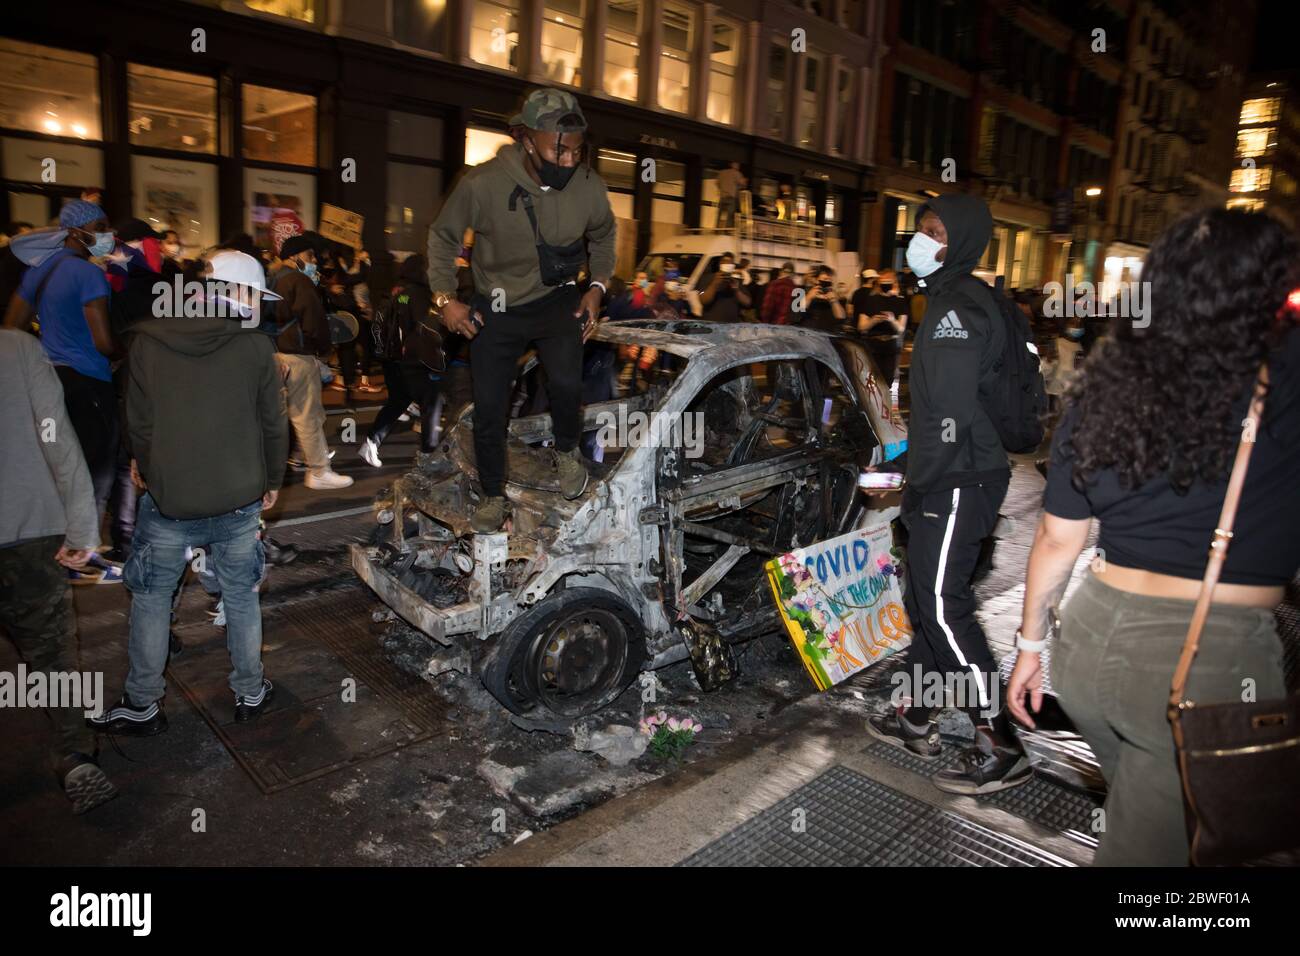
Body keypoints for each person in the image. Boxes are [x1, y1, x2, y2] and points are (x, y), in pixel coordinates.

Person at [1008, 209, 1300, 865]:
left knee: (1149, 813)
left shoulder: (1117, 377)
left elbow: (1059, 534)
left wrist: (1028, 649)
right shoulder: (1285, 378)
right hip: (1202, 661)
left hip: (1086, 644)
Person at [867, 192, 1030, 794]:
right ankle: (916, 713)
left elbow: (950, 417)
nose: (920, 240)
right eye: (920, 229)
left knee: (940, 606)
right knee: (931, 598)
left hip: (960, 477)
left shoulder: (957, 308)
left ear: (957, 241)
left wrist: (910, 474)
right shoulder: (957, 299)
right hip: (962, 473)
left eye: (934, 231)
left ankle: (1000, 739)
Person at [90, 250, 290, 735]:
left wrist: (148, 467)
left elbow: (138, 420)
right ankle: (249, 690)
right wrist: (272, 481)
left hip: (169, 501)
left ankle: (142, 702)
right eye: (257, 297)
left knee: (153, 598)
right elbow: (273, 424)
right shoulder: (256, 348)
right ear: (236, 294)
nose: (261, 307)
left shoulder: (147, 340)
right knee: (241, 595)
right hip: (239, 497)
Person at [429, 88, 616, 533]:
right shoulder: (482, 183)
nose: (570, 160)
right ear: (528, 140)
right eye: (559, 148)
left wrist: (597, 288)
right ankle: (493, 494)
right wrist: (445, 298)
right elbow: (442, 237)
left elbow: (605, 236)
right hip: (496, 306)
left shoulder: (588, 186)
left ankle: (568, 453)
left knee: (569, 382)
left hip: (556, 299)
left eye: (577, 149)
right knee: (491, 407)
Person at [0, 328, 118, 813]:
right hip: (27, 526)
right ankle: (72, 750)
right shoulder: (18, 348)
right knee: (51, 652)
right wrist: (81, 526)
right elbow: (56, 434)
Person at [4, 201, 118, 517]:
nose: (107, 235)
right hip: (88, 382)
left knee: (58, 464)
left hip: (48, 381)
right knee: (94, 469)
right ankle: (81, 549)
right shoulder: (88, 274)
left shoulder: (39, 271)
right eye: (99, 228)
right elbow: (104, 343)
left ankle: (56, 538)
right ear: (73, 232)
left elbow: (12, 329)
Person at [268, 233, 353, 490]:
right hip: (298, 356)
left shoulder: (273, 280)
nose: (314, 260)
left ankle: (296, 459)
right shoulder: (298, 281)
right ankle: (318, 471)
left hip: (274, 355)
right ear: (295, 256)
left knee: (280, 415)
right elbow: (314, 323)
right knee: (308, 415)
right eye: (310, 255)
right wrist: (325, 352)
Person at [360, 254, 440, 467]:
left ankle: (371, 441)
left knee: (399, 400)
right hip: (411, 360)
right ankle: (429, 455)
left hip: (390, 356)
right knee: (430, 402)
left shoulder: (397, 290)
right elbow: (421, 327)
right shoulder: (419, 293)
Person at [856, 267, 908, 385]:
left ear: (894, 282)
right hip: (873, 345)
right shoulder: (871, 300)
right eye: (883, 281)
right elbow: (861, 326)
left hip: (890, 345)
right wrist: (873, 320)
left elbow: (901, 328)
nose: (885, 284)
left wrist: (892, 320)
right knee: (871, 381)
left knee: (887, 380)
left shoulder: (900, 301)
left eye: (888, 281)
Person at [700, 252, 751, 323]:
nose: (728, 264)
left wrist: (736, 290)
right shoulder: (707, 278)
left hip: (731, 326)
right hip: (711, 325)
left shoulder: (737, 281)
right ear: (720, 264)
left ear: (733, 265)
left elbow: (747, 302)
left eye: (731, 263)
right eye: (725, 262)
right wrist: (714, 284)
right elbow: (703, 300)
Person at [803, 265, 845, 333]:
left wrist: (834, 301)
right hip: (808, 337)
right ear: (815, 280)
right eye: (825, 279)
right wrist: (809, 297)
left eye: (830, 280)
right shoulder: (802, 292)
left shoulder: (833, 296)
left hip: (826, 337)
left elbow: (841, 318)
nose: (828, 282)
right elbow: (794, 314)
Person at [761, 261, 796, 325]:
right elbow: (798, 314)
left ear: (780, 272)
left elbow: (767, 308)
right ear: (793, 274)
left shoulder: (774, 285)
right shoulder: (798, 290)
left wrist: (765, 322)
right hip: (789, 328)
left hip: (773, 325)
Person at [715, 161, 747, 230]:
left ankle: (716, 229)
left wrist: (722, 189)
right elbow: (743, 184)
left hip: (722, 196)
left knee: (719, 214)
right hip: (731, 197)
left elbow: (717, 183)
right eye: (738, 165)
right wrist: (744, 181)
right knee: (730, 215)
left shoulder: (722, 172)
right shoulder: (736, 173)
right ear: (735, 165)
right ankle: (727, 230)